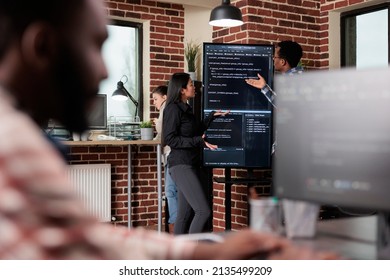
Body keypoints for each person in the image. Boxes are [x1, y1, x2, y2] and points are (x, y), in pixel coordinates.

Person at [0, 0, 337, 260]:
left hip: (194, 164)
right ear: (42, 46)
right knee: (198, 210)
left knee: (190, 212)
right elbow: (92, 251)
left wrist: (213, 254)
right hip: (182, 161)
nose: (104, 69)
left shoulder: (22, 140)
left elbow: (88, 240)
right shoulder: (13, 148)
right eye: (95, 44)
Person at [163, 73, 230, 235]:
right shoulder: (172, 109)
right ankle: (193, 253)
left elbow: (196, 131)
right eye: (191, 84)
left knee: (184, 215)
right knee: (203, 211)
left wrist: (211, 116)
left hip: (189, 164)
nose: (195, 87)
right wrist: (197, 141)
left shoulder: (187, 109)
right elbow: (169, 139)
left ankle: (179, 254)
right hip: (180, 164)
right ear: (182, 90)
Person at [152, 85, 178, 234]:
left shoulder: (165, 108)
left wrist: (156, 123)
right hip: (171, 154)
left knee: (170, 191)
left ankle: (173, 225)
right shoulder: (167, 108)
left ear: (165, 97)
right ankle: (175, 223)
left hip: (171, 155)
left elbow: (162, 130)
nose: (154, 102)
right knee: (173, 191)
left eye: (156, 99)